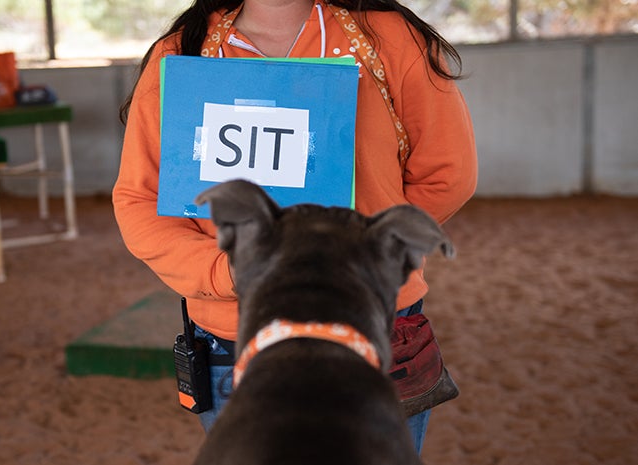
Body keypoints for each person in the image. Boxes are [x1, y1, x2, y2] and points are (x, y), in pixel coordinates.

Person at [113, 0, 478, 455]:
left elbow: (448, 173)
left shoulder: (388, 37)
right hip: (235, 332)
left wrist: (364, 256)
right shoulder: (182, 52)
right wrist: (231, 271)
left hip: (369, 325)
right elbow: (140, 201)